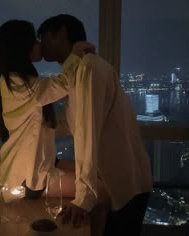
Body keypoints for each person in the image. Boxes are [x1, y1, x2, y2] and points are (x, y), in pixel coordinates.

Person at [38, 14, 153, 235]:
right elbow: (74, 125)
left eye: (43, 37)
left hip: (125, 187)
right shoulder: (79, 71)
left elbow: (86, 133)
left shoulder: (89, 69)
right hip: (120, 182)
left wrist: (84, 198)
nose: (40, 44)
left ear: (61, 33)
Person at [0, 19, 94, 201]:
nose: (39, 44)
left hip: (38, 165)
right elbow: (62, 84)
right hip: (27, 176)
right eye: (34, 40)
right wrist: (75, 55)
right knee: (98, 191)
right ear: (22, 46)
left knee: (94, 176)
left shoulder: (21, 81)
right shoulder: (16, 82)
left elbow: (42, 126)